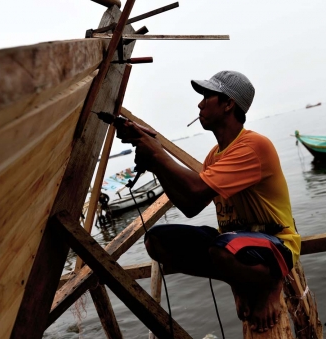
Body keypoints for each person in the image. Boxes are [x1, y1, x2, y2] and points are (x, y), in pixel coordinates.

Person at [116, 70, 301, 333]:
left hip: (274, 246)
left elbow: (194, 188)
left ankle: (270, 284)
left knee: (221, 249)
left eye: (207, 96)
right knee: (156, 241)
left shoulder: (253, 146)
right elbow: (191, 206)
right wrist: (154, 163)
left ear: (228, 104)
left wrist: (154, 150)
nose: (200, 104)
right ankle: (239, 281)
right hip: (236, 245)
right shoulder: (214, 156)